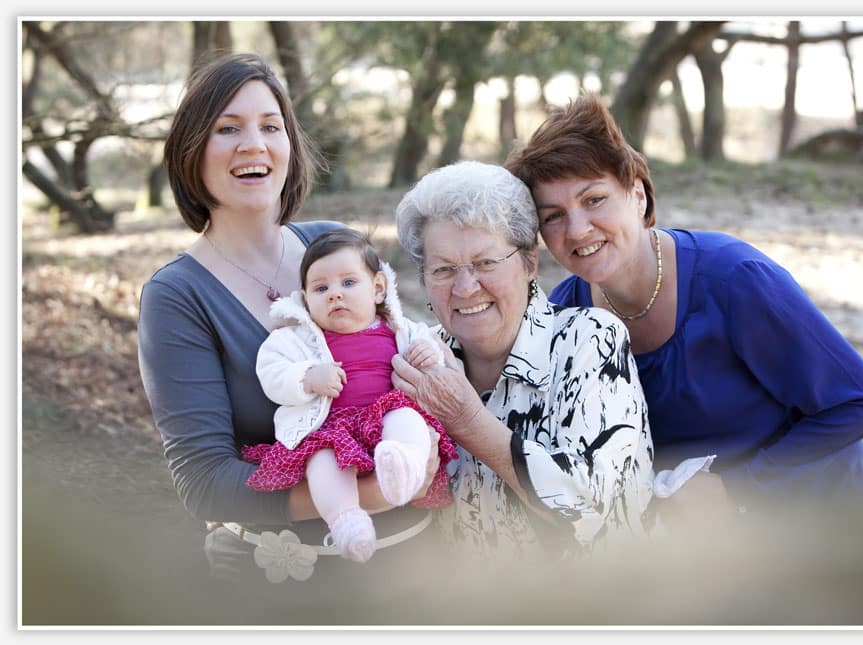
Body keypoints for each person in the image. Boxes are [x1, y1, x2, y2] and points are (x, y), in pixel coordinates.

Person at [504, 94, 863, 522]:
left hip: (821, 526)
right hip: (700, 555)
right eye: (553, 216)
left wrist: (739, 488)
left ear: (638, 196)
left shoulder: (733, 279)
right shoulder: (563, 317)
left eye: (594, 199)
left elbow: (858, 402)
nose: (577, 229)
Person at [137, 53, 442, 586]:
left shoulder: (329, 246)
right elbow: (206, 483)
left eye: (270, 126)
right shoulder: (177, 296)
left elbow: (405, 351)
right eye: (227, 128)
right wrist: (372, 493)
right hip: (292, 589)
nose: (253, 144)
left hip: (419, 568)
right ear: (192, 152)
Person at [391, 160, 668, 558]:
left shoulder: (589, 341)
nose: (466, 287)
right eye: (444, 269)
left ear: (529, 262)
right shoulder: (415, 363)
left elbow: (595, 507)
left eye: (486, 263)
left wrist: (467, 421)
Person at [241, 228, 457, 565]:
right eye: (321, 288)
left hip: (385, 419)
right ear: (305, 299)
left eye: (348, 283)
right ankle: (346, 520)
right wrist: (307, 376)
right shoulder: (296, 339)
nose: (334, 295)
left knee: (409, 420)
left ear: (378, 289)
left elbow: (431, 349)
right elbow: (270, 371)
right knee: (321, 462)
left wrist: (430, 356)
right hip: (330, 429)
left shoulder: (400, 329)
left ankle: (404, 468)